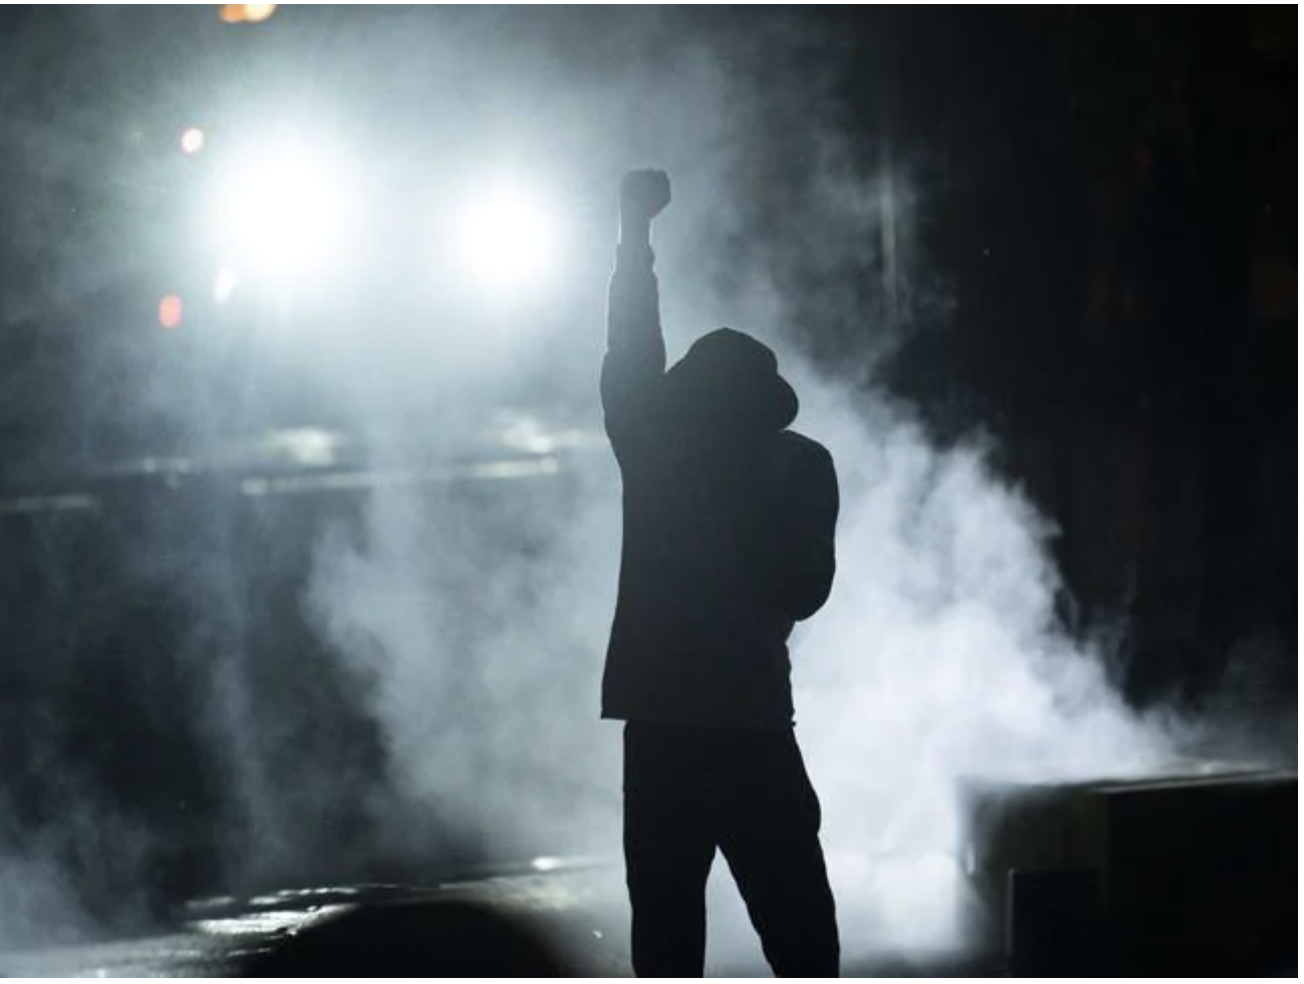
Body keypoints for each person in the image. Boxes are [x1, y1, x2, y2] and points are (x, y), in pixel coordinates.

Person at [600, 168, 842, 978]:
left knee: (672, 940)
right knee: (801, 938)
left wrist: (636, 235)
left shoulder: (660, 454)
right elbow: (807, 593)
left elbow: (631, 347)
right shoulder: (799, 467)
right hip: (749, 727)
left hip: (672, 730)